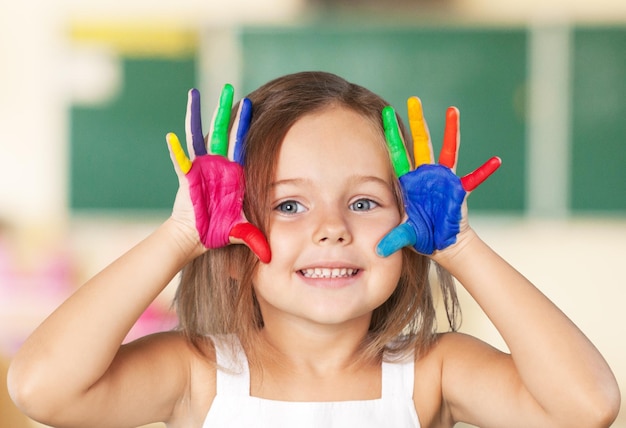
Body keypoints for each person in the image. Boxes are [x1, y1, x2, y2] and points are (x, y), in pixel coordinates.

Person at [7, 71, 620, 427]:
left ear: (413, 229)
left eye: (362, 203)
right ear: (234, 232)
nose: (331, 229)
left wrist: (462, 247)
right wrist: (179, 237)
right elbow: (39, 386)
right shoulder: (197, 372)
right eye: (289, 205)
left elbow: (587, 408)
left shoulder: (433, 370)